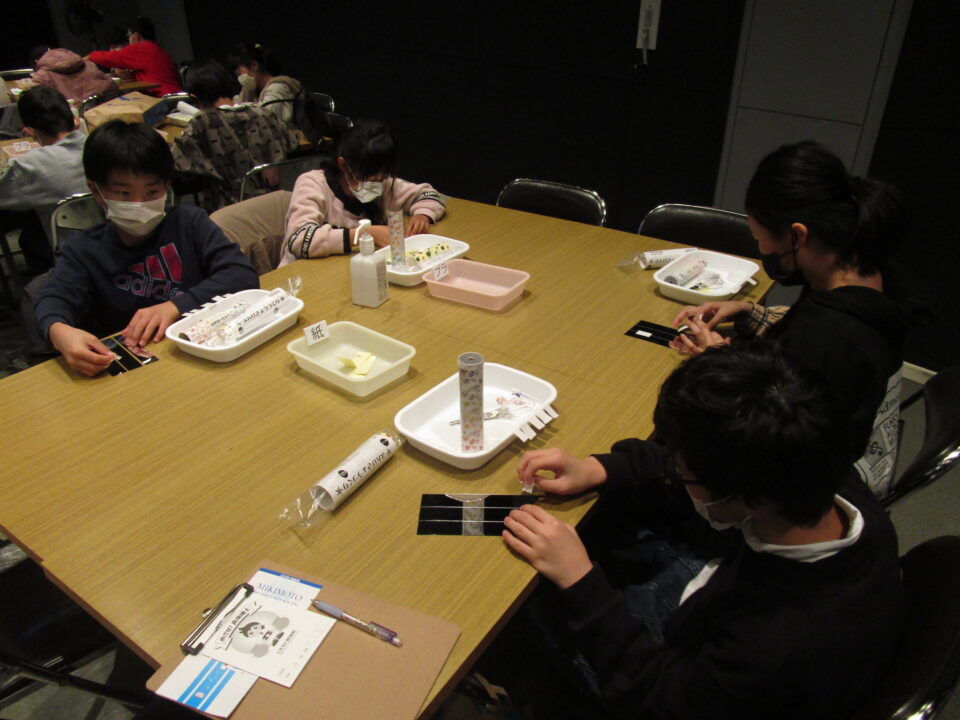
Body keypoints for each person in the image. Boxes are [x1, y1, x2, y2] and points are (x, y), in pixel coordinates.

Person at [502, 343, 902, 719]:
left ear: (749, 499)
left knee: (525, 606)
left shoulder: (774, 647)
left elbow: (659, 698)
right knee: (614, 524)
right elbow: (708, 462)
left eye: (681, 472)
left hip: (676, 677)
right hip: (720, 589)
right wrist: (600, 468)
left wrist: (579, 579)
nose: (673, 471)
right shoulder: (817, 470)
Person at [669, 140, 917, 498]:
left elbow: (762, 439)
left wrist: (715, 363)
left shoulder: (827, 337)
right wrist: (750, 311)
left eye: (759, 237)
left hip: (802, 489)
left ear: (798, 235)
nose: (761, 250)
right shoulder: (868, 275)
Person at [33, 120, 259, 376]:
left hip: (197, 351)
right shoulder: (83, 250)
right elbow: (53, 300)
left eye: (152, 191)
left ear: (166, 186)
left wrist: (175, 305)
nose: (139, 204)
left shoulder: (189, 222)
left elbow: (241, 275)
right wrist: (60, 331)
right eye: (124, 194)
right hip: (134, 366)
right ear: (96, 190)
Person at [280, 118, 445, 266]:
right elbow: (298, 240)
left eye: (381, 178)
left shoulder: (385, 185)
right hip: (303, 275)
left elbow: (428, 194)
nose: (376, 185)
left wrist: (422, 215)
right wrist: (363, 234)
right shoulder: (312, 184)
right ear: (344, 166)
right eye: (368, 179)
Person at [171, 60, 299, 211]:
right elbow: (293, 140)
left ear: (195, 96)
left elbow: (175, 161)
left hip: (229, 210)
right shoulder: (263, 113)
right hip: (275, 206)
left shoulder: (202, 123)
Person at [0, 86, 87, 275]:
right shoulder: (101, 146)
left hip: (71, 257)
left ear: (30, 131)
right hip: (114, 242)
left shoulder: (29, 165)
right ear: (75, 120)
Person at [86, 17, 182, 96]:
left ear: (136, 36)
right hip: (176, 96)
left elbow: (110, 57)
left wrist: (87, 58)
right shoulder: (157, 48)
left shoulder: (142, 48)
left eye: (129, 35)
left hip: (164, 98)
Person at [227, 42, 302, 126]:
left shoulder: (278, 88)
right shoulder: (250, 91)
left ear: (254, 65)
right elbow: (233, 103)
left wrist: (240, 107)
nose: (237, 74)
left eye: (239, 69)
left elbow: (268, 118)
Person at [31, 47, 115, 102]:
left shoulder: (41, 76)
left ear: (36, 61)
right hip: (106, 105)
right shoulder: (86, 63)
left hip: (75, 118)